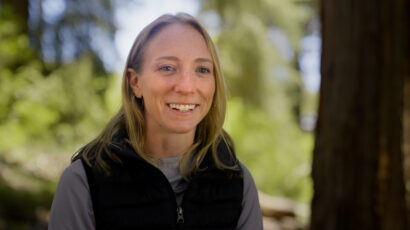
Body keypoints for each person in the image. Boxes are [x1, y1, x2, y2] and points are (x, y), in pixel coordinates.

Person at [49, 13, 263, 230]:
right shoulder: (83, 182)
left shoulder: (239, 182)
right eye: (167, 68)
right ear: (135, 82)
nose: (187, 87)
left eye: (202, 70)